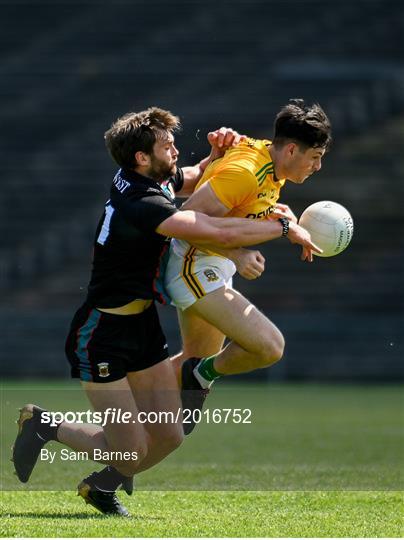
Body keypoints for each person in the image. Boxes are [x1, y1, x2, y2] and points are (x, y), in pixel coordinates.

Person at [12, 106, 320, 517]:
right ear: (142, 157)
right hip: (102, 333)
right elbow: (212, 230)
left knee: (170, 435)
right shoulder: (144, 204)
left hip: (141, 327)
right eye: (167, 145)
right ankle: (45, 426)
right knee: (132, 451)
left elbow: (192, 177)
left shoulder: (146, 177)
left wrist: (214, 158)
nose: (176, 149)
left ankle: (101, 482)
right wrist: (282, 227)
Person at [164, 99, 332, 434]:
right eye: (315, 158)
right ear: (291, 151)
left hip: (212, 264)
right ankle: (199, 375)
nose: (317, 167)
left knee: (182, 386)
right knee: (269, 346)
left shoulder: (269, 164)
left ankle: (87, 440)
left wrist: (274, 216)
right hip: (192, 261)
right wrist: (239, 254)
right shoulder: (247, 172)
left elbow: (240, 203)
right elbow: (184, 221)